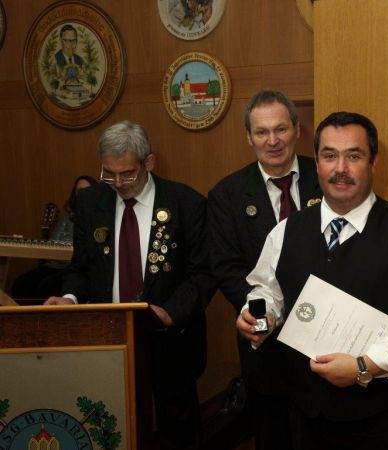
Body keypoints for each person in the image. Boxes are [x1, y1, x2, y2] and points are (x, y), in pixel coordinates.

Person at [236, 111, 388, 450]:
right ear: (317, 163)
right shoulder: (285, 231)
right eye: (329, 156)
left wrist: (365, 366)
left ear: (373, 162)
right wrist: (257, 317)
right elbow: (268, 290)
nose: (340, 168)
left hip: (381, 421)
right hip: (305, 417)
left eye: (354, 156)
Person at [45, 120, 215, 450]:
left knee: (176, 433)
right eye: (109, 174)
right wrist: (70, 297)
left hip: (171, 341)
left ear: (148, 162)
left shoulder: (186, 203)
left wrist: (170, 311)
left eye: (127, 174)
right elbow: (81, 267)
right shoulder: (91, 202)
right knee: (110, 429)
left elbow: (203, 273)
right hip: (108, 340)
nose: (119, 183)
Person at [208, 89, 321, 450]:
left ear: (297, 130)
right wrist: (263, 315)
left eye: (281, 129)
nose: (273, 141)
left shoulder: (327, 177)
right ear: (249, 137)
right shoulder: (227, 195)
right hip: (266, 348)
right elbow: (227, 268)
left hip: (325, 339)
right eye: (261, 132)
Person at [10, 175, 96, 299]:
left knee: (46, 286)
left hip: (71, 269)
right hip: (53, 266)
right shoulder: (66, 219)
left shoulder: (96, 220)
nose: (82, 194)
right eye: (79, 191)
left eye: (86, 190)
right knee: (20, 284)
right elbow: (52, 245)